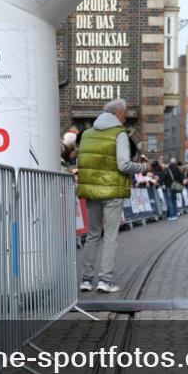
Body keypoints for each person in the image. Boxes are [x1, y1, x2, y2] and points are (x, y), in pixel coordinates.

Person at [76, 99, 149, 293]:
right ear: (118, 113)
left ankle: (86, 279)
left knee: (92, 235)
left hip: (92, 191)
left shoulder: (87, 134)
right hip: (112, 192)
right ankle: (105, 280)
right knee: (110, 236)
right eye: (124, 114)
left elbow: (81, 162)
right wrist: (143, 167)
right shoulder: (120, 134)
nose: (125, 118)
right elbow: (123, 165)